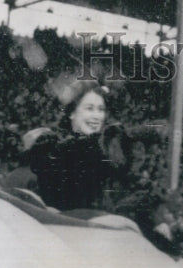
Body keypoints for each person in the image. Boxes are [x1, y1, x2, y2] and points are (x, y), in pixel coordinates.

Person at [26, 81, 117, 212]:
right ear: (72, 112)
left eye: (101, 109)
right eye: (89, 108)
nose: (97, 116)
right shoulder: (50, 142)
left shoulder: (101, 149)